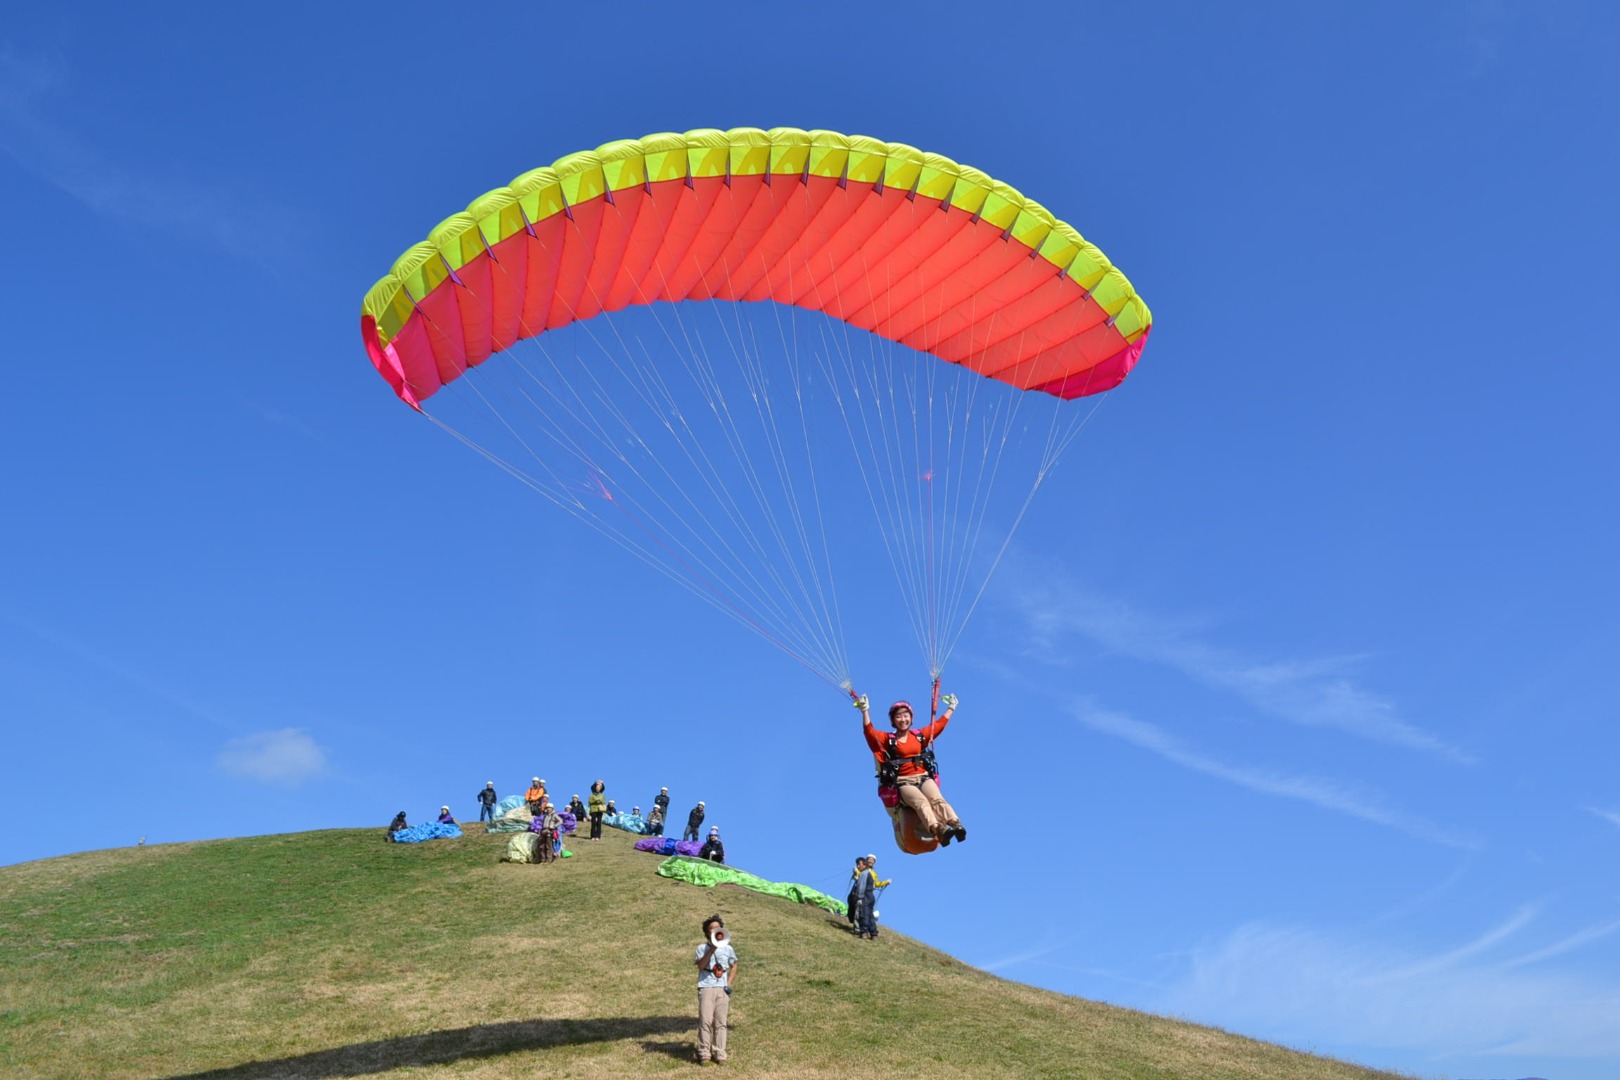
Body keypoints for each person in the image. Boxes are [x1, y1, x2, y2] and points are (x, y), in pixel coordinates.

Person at [857, 692, 967, 845]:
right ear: (893, 721)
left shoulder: (920, 736)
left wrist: (951, 708)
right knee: (921, 802)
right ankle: (938, 829)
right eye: (899, 717)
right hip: (904, 783)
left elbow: (938, 726)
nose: (903, 719)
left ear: (911, 718)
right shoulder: (888, 739)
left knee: (937, 799)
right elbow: (869, 734)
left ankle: (956, 824)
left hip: (923, 777)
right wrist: (865, 711)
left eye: (906, 715)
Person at [693, 914, 737, 1066]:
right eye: (712, 928)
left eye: (717, 927)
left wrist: (728, 983)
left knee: (720, 1022)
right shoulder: (701, 948)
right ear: (706, 932)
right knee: (705, 1021)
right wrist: (711, 950)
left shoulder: (728, 948)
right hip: (706, 987)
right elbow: (700, 965)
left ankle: (720, 1054)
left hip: (721, 989)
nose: (715, 930)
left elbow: (734, 965)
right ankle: (704, 1054)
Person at [852, 853, 890, 939]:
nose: (858, 866)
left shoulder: (866, 873)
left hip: (865, 894)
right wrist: (855, 873)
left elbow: (865, 885)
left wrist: (885, 882)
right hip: (870, 896)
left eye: (873, 860)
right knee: (870, 915)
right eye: (870, 859)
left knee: (864, 914)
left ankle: (864, 932)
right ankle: (873, 934)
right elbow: (857, 875)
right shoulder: (863, 872)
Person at [537, 799, 561, 864]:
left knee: (548, 846)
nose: (548, 809)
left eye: (549, 808)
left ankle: (549, 860)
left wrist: (554, 826)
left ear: (552, 808)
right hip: (543, 831)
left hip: (549, 832)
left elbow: (560, 821)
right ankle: (543, 860)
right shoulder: (545, 815)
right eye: (547, 808)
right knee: (542, 846)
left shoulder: (554, 815)